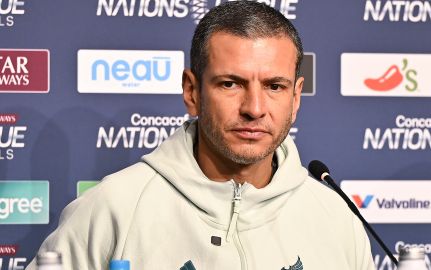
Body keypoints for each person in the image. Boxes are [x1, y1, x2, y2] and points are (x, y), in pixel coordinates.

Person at [28, 1, 375, 269]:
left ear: (295, 98)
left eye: (274, 86)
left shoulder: (337, 219)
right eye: (230, 84)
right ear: (192, 92)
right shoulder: (111, 209)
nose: (254, 107)